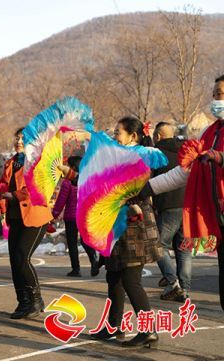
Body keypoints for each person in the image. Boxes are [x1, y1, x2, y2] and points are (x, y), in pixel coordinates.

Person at [138, 75, 224, 311]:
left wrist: (220, 157)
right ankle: (181, 285)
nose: (218, 99)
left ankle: (176, 283)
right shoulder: (209, 134)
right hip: (217, 218)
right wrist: (146, 189)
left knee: (162, 244)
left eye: (222, 94)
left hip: (173, 210)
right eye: (216, 94)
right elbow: (183, 172)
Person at [91, 116, 162, 347]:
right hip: (117, 222)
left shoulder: (140, 156)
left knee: (131, 279)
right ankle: (114, 325)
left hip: (134, 222)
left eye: (118, 133)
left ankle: (148, 330)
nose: (114, 137)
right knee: (114, 277)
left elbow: (131, 188)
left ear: (132, 136)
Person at [0, 128, 53, 319]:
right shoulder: (11, 163)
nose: (19, 141)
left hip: (36, 216)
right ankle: (23, 301)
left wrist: (12, 195)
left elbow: (34, 189)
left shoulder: (39, 163)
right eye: (17, 137)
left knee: (23, 257)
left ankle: (36, 300)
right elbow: (0, 187)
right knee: (15, 261)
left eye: (24, 138)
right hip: (16, 217)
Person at [151, 122, 190, 301]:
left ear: (158, 136)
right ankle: (184, 289)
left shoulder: (156, 154)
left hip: (169, 205)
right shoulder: (186, 152)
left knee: (159, 245)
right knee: (184, 249)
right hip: (189, 206)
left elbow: (149, 181)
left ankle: (172, 283)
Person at [52, 156, 99, 277]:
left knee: (72, 243)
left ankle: (76, 269)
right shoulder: (87, 180)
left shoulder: (67, 183)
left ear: (72, 167)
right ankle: (94, 261)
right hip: (85, 215)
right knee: (85, 240)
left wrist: (54, 214)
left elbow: (61, 201)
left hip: (71, 217)